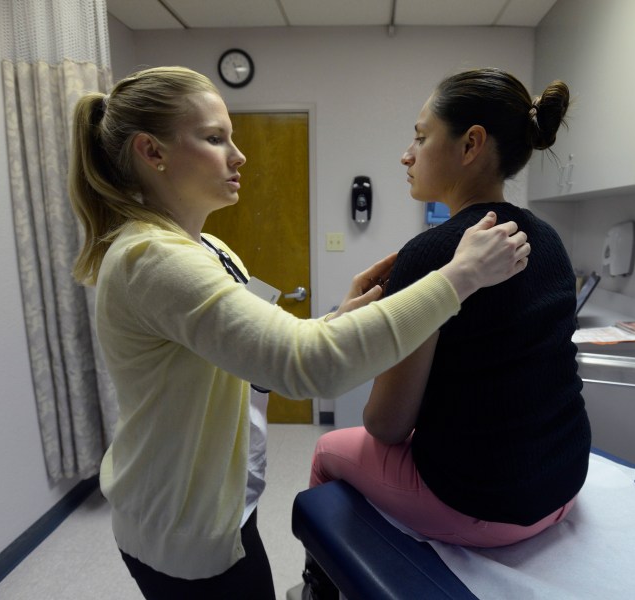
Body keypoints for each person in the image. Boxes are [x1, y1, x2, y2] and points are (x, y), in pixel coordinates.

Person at [67, 66, 530, 600]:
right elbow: (307, 367)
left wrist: (339, 317)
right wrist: (458, 277)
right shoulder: (150, 259)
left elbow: (260, 347)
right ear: (152, 152)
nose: (238, 156)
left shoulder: (211, 250)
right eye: (216, 139)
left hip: (224, 500)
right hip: (180, 526)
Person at [303, 68, 591, 598]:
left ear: (470, 144)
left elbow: (386, 425)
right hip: (564, 482)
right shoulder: (548, 240)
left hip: (483, 505)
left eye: (419, 135)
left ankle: (323, 588)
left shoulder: (432, 253)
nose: (406, 154)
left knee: (327, 448)